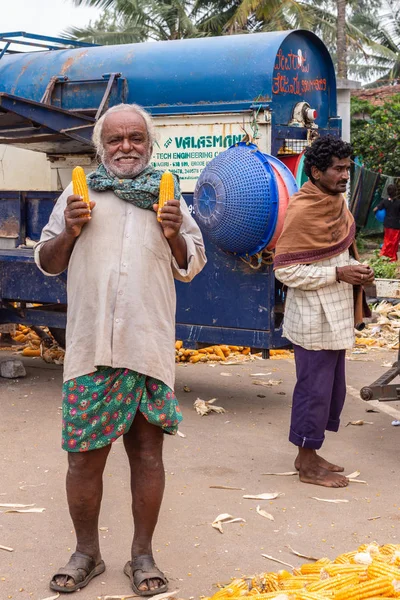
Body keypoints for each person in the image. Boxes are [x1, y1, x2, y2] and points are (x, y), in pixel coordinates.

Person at [35, 103, 206, 595]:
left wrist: (174, 234)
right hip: (90, 350)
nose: (125, 147)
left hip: (146, 347)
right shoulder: (77, 194)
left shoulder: (169, 199)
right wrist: (69, 230)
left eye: (135, 138)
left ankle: (142, 556)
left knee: (147, 455)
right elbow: (46, 262)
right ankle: (86, 552)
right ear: (100, 146)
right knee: (83, 458)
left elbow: (191, 265)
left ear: (150, 145)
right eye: (115, 140)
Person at [274, 135, 374, 488]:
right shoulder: (303, 208)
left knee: (332, 390)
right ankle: (305, 463)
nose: (345, 175)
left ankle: (312, 453)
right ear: (315, 171)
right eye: (338, 169)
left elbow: (337, 251)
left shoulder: (337, 202)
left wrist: (356, 269)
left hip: (338, 313)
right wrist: (338, 273)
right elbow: (285, 270)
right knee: (313, 391)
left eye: (348, 168)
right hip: (313, 317)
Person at [373, 183, 400, 262]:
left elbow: (374, 209)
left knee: (387, 241)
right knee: (394, 243)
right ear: (396, 192)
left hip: (387, 224)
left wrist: (376, 215)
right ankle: (392, 258)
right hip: (396, 225)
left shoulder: (384, 202)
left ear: (388, 192)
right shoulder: (399, 202)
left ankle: (383, 256)